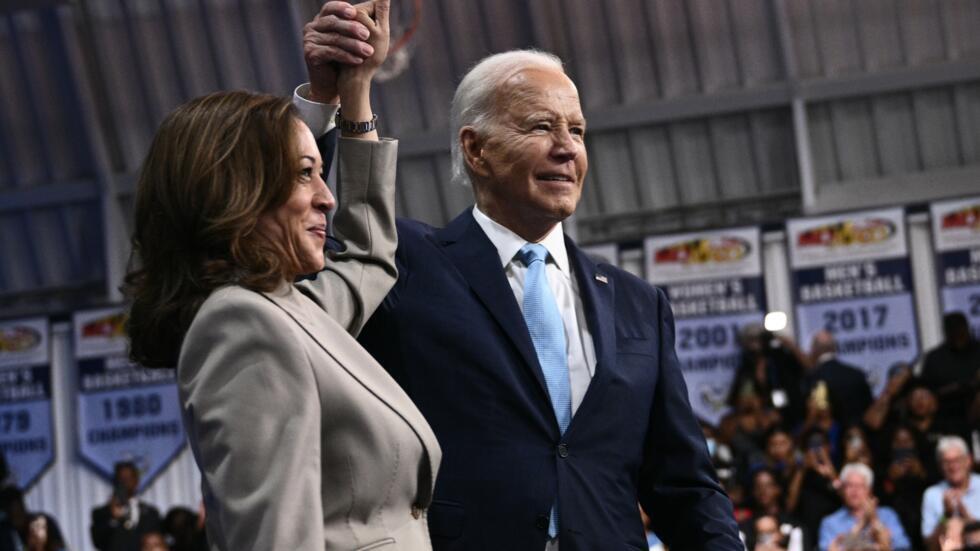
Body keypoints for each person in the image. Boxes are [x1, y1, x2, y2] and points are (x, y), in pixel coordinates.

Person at [300, 10, 742, 549]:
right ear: (476, 149)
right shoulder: (406, 262)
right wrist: (332, 95)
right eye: (541, 126)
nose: (568, 147)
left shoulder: (638, 304)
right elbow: (319, 219)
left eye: (576, 130)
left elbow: (685, 486)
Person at [124, 2, 441, 550]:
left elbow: (367, 254)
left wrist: (352, 92)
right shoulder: (243, 326)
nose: (328, 196)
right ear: (235, 194)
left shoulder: (285, 312)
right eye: (304, 175)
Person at [819, 463, 912, 551]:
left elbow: (903, 547)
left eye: (859, 486)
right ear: (843, 490)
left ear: (869, 490)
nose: (854, 490)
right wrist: (861, 523)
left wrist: (874, 520)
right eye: (849, 485)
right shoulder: (830, 523)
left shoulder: (888, 515)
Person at [805, 330, 874, 432]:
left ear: (814, 350)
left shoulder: (814, 378)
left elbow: (815, 413)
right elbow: (869, 408)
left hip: (830, 438)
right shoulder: (856, 374)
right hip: (859, 434)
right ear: (834, 348)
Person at [920, 313, 980, 424]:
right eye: (954, 331)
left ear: (967, 328)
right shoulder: (935, 358)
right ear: (946, 332)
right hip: (946, 415)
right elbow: (926, 392)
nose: (958, 335)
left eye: (961, 330)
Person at [921, 437, 980, 551]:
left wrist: (966, 516)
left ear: (968, 460)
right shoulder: (932, 494)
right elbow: (929, 546)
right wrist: (946, 515)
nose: (952, 467)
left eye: (957, 460)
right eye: (947, 462)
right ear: (940, 466)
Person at [90, 462, 162, 551]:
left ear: (136, 481)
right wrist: (113, 519)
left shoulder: (151, 513)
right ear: (115, 482)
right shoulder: (100, 513)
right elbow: (98, 543)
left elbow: (159, 543)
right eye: (121, 479)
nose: (125, 482)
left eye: (128, 478)